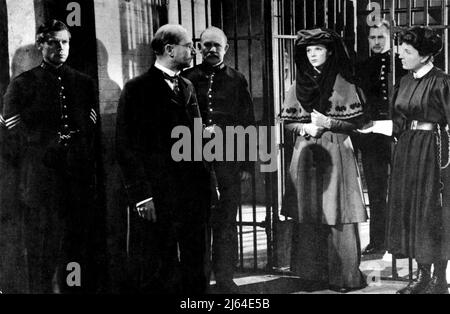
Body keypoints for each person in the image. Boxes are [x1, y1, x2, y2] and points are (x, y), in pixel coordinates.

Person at [1, 20, 105, 293]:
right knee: (41, 250)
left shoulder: (83, 83)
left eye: (65, 42)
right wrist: (47, 145)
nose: (60, 48)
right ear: (40, 45)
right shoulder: (23, 84)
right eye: (54, 42)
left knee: (75, 247)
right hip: (40, 182)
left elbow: (90, 129)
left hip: (76, 183)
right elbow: (13, 131)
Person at [116, 24, 211, 294]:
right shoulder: (137, 89)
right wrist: (142, 195)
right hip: (159, 193)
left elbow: (197, 138)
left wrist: (209, 180)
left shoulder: (188, 85)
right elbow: (125, 147)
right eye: (188, 45)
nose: (194, 49)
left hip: (193, 190)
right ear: (169, 49)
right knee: (160, 263)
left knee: (197, 262)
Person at [360, 26, 450, 294]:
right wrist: (372, 126)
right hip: (407, 151)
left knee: (433, 213)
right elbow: (399, 124)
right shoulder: (406, 81)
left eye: (407, 52)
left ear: (424, 56)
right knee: (412, 212)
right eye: (401, 50)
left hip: (433, 153)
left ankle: (439, 280)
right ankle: (423, 277)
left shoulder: (442, 81)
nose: (400, 55)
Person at [280, 28, 367, 292]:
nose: (313, 55)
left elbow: (359, 122)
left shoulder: (345, 82)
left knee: (337, 212)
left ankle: (343, 277)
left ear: (329, 52)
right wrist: (304, 128)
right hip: (305, 153)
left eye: (318, 49)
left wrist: (331, 122)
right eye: (308, 50)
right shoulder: (297, 85)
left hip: (336, 149)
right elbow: (287, 121)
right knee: (308, 212)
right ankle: (311, 274)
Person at [182, 26, 254, 294]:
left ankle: (225, 278)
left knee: (226, 222)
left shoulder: (237, 79)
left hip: (229, 162)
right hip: (194, 161)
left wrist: (247, 164)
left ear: (226, 48)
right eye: (206, 45)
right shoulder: (187, 78)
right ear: (199, 48)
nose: (211, 50)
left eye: (217, 46)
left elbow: (248, 123)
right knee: (199, 222)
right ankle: (199, 279)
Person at [354, 20, 407, 255]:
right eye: (372, 37)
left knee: (403, 189)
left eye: (380, 37)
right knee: (376, 192)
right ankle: (378, 241)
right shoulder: (363, 67)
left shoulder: (402, 65)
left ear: (390, 38)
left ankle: (403, 243)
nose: (376, 42)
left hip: (401, 135)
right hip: (373, 138)